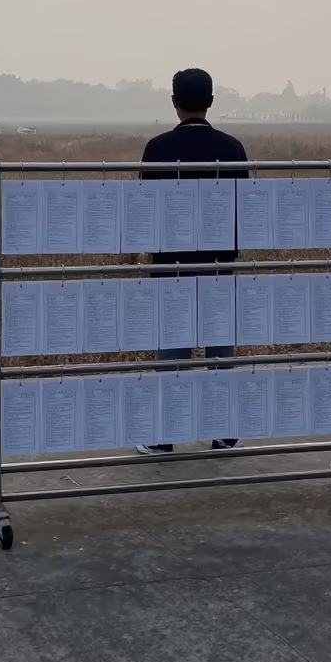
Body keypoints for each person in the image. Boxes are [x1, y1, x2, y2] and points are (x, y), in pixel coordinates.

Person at [136, 67, 248, 455]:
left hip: (173, 265)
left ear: (173, 102)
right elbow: (243, 209)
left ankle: (163, 437)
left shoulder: (157, 149)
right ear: (212, 101)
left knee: (172, 353)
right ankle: (224, 434)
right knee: (221, 351)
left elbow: (146, 211)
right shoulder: (233, 147)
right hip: (220, 265)